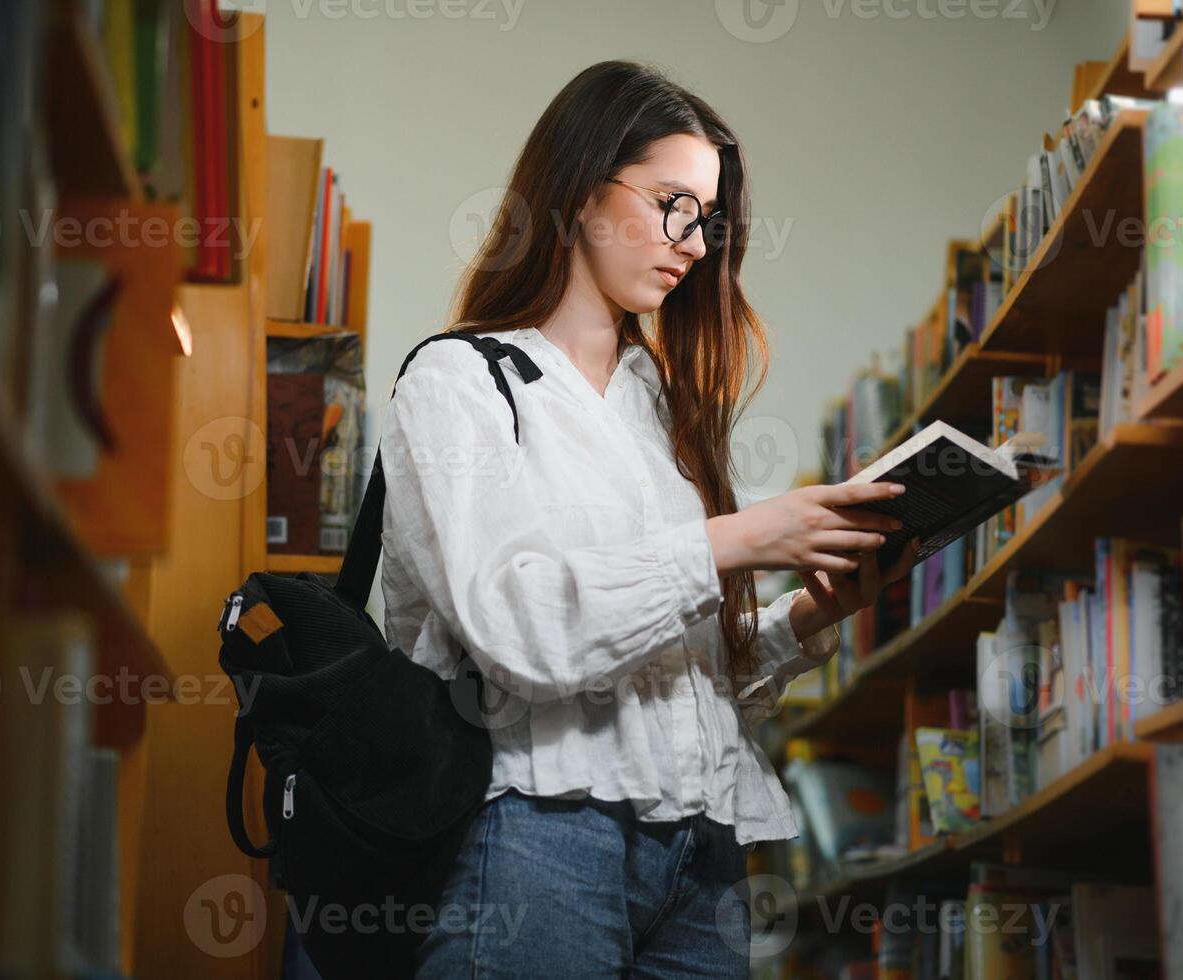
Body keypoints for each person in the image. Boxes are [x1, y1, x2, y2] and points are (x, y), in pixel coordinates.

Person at [378, 59, 916, 978]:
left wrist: (804, 618)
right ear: (582, 192)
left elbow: (684, 692)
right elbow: (519, 631)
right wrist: (738, 538)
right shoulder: (458, 382)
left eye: (707, 220)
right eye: (674, 204)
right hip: (537, 840)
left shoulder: (661, 409)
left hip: (703, 863)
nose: (695, 243)